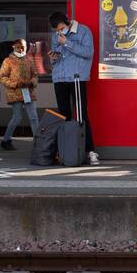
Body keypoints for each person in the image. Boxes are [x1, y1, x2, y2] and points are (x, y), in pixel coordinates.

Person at [48, 10, 100, 165]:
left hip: (76, 79)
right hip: (59, 78)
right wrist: (53, 58)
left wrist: (67, 43)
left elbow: (88, 52)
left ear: (67, 22)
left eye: (60, 28)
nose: (58, 32)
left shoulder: (83, 31)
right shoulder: (55, 36)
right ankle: (66, 151)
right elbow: (56, 58)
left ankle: (90, 151)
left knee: (82, 115)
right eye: (56, 30)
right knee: (64, 116)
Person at [0, 37, 40, 151]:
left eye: (23, 47)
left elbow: (35, 75)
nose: (21, 50)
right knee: (17, 118)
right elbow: (2, 77)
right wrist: (15, 84)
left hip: (28, 92)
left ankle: (38, 142)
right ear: (14, 47)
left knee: (34, 117)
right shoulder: (8, 61)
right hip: (15, 93)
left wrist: (32, 82)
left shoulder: (29, 61)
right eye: (19, 47)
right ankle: (6, 140)